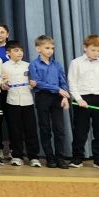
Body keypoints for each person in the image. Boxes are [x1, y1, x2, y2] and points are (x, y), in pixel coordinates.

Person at [68, 34, 99, 170]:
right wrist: (78, 99)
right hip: (82, 100)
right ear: (85, 48)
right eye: (93, 50)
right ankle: (77, 158)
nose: (96, 53)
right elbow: (72, 82)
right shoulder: (76, 63)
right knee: (80, 131)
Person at [28, 35, 70, 168]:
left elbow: (63, 82)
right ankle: (49, 157)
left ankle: (60, 158)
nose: (50, 50)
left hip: (57, 98)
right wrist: (57, 89)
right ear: (38, 49)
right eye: (47, 48)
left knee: (59, 129)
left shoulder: (57, 64)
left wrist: (65, 96)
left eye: (52, 48)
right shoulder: (34, 64)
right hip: (43, 98)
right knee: (45, 128)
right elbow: (37, 83)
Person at [1, 41, 41, 167]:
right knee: (15, 129)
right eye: (16, 50)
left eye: (21, 50)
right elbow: (1, 83)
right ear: (8, 53)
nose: (20, 53)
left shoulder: (28, 65)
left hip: (27, 100)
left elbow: (35, 81)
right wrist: (4, 85)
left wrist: (34, 84)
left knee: (31, 129)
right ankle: (17, 155)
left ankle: (33, 156)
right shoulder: (3, 66)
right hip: (12, 101)